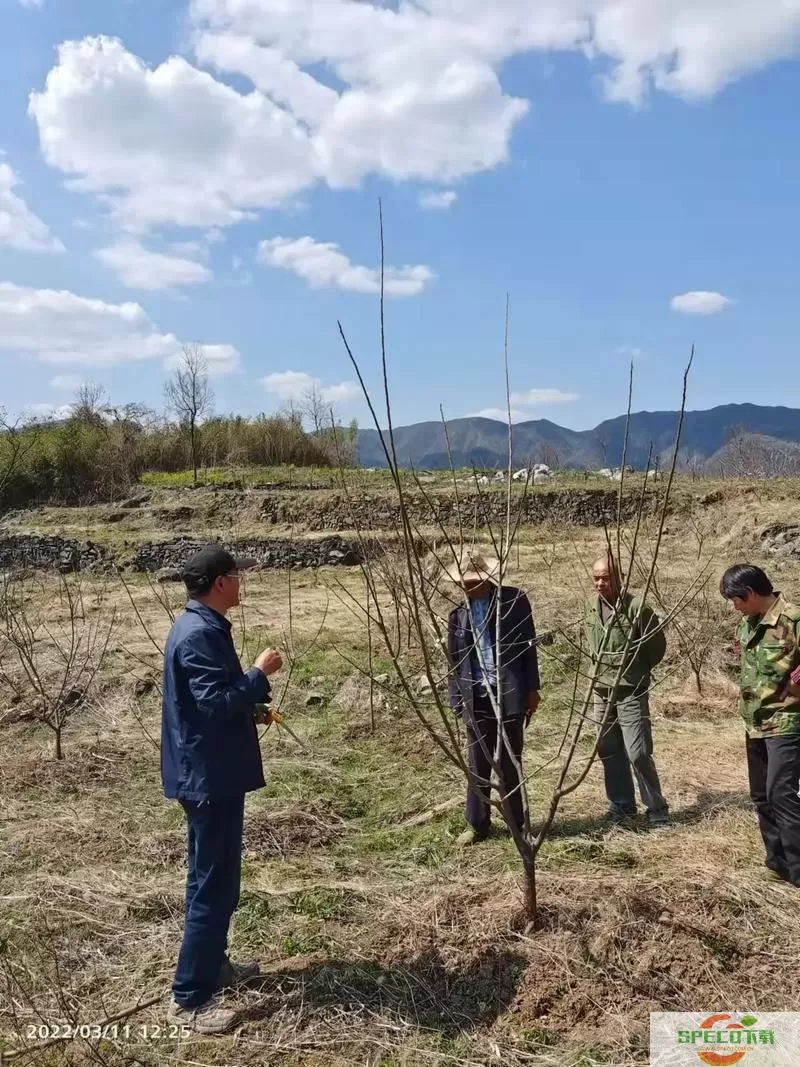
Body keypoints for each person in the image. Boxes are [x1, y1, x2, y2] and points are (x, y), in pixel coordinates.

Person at [162, 547, 283, 1033]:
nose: (242, 582)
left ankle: (214, 967)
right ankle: (191, 1000)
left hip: (211, 772)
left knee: (210, 881)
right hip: (209, 778)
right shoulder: (197, 635)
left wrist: (251, 705)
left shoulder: (203, 626)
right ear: (218, 583)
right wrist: (259, 674)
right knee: (214, 887)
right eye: (236, 576)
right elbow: (213, 702)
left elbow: (210, 700)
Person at [446, 551, 541, 846]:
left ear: (487, 579)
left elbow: (529, 648)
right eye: (464, 582)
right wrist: (456, 699)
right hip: (476, 697)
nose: (468, 587)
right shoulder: (457, 616)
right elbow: (453, 662)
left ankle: (518, 823)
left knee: (511, 761)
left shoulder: (513, 603)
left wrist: (532, 689)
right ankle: (477, 825)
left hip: (508, 692)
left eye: (474, 581)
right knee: (478, 763)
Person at [721, 563, 800, 886]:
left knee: (781, 794)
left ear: (751, 594)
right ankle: (777, 863)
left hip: (787, 720)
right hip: (754, 722)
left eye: (736, 599)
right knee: (761, 796)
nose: (734, 606)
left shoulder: (792, 619)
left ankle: (798, 870)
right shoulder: (748, 624)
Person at [586, 554, 669, 826]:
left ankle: (657, 809)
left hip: (631, 689)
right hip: (601, 689)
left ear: (620, 579)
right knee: (607, 749)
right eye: (596, 578)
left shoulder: (637, 608)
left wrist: (635, 672)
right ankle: (621, 806)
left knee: (638, 752)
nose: (600, 583)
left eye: (606, 578)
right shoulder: (590, 606)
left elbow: (655, 647)